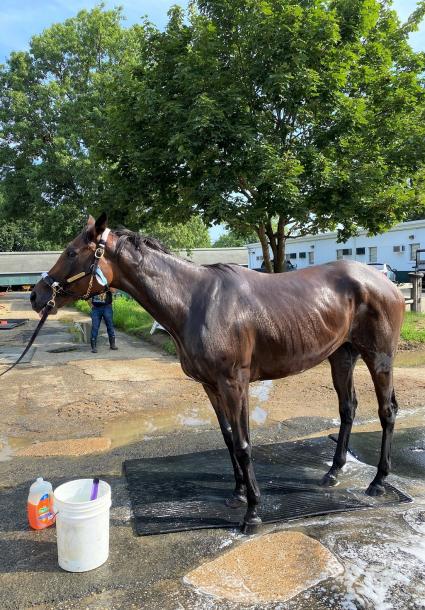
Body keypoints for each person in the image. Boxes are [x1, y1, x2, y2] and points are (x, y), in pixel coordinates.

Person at [90, 288, 118, 353]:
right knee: (95, 327)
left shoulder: (107, 281)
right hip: (96, 308)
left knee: (110, 326)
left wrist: (107, 286)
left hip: (107, 307)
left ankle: (112, 345)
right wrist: (91, 305)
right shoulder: (93, 282)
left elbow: (114, 291)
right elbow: (88, 294)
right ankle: (93, 347)